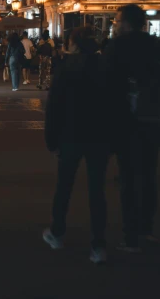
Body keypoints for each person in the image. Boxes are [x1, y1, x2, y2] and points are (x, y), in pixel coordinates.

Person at [103, 4, 160, 251]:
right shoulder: (157, 46)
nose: (115, 24)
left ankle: (130, 234)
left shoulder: (117, 47)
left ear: (127, 23)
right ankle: (147, 228)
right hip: (153, 117)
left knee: (128, 177)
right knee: (148, 174)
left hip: (126, 120)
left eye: (117, 20)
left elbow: (107, 85)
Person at [43, 26, 110, 264]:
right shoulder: (104, 66)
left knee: (64, 186)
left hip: (71, 134)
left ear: (74, 44)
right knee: (97, 190)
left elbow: (54, 106)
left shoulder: (66, 67)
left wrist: (51, 138)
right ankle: (98, 244)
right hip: (99, 135)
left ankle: (57, 232)